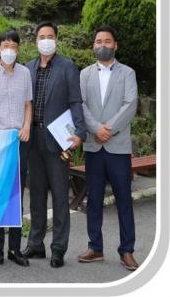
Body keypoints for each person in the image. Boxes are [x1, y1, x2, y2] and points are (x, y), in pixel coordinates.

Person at [22, 21, 85, 269]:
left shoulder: (67, 67)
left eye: (50, 36)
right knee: (36, 195)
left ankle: (58, 248)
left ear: (56, 39)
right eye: (42, 36)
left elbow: (75, 101)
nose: (46, 40)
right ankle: (35, 243)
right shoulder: (28, 68)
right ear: (35, 41)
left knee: (60, 196)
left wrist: (79, 133)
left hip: (58, 140)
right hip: (33, 139)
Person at [77, 25, 139, 271]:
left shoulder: (127, 73)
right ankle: (95, 247)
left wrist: (108, 130)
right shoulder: (84, 74)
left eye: (107, 41)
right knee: (94, 199)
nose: (103, 45)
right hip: (94, 146)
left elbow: (130, 104)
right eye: (98, 41)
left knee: (124, 199)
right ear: (93, 45)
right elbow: (80, 104)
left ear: (115, 45)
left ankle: (127, 250)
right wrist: (95, 128)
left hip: (118, 146)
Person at [0, 30, 32, 267]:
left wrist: (27, 126)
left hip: (19, 140)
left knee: (17, 195)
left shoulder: (25, 73)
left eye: (13, 46)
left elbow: (28, 104)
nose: (9, 50)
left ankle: (15, 248)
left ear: (18, 49)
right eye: (5, 46)